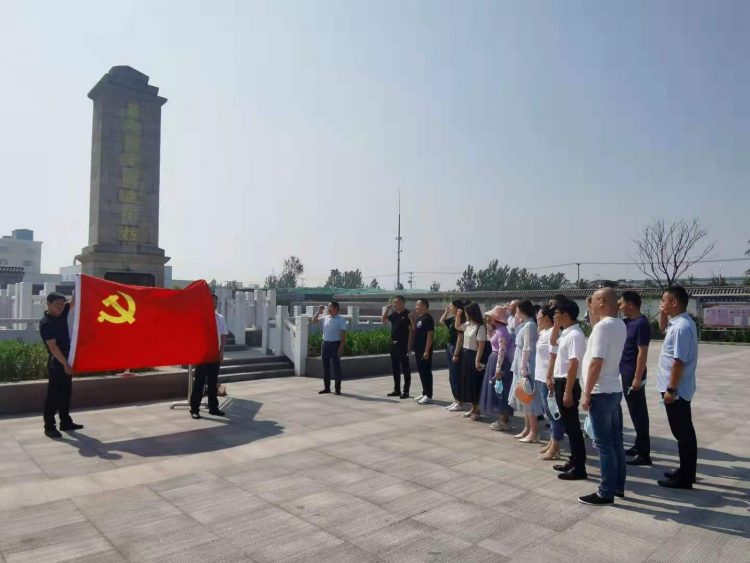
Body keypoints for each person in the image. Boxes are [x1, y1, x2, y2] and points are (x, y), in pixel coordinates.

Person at [579, 288, 628, 505]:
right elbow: (596, 331)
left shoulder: (603, 327)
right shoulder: (618, 324)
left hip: (600, 392)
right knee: (615, 442)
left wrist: (586, 392)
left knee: (603, 445)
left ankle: (605, 492)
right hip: (613, 389)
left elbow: (595, 362)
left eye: (594, 300)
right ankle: (617, 486)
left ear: (601, 302)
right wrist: (590, 309)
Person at [656, 286, 699, 490]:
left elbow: (678, 361)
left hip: (677, 391)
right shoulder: (679, 323)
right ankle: (685, 471)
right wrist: (663, 313)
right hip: (676, 389)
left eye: (664, 300)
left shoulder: (682, 327)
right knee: (682, 432)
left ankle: (686, 477)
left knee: (683, 433)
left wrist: (671, 389)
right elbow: (662, 328)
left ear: (674, 302)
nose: (661, 304)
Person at [552, 299, 588, 480]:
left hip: (568, 383)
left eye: (557, 314)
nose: (554, 317)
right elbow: (553, 341)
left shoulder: (575, 335)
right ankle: (573, 460)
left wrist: (567, 391)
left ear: (566, 315)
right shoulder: (566, 333)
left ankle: (579, 467)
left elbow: (574, 363)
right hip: (561, 382)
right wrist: (556, 325)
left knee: (573, 428)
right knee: (569, 426)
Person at [39, 292, 82, 438]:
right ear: (48, 304)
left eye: (62, 305)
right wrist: (65, 364)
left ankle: (65, 422)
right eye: (57, 305)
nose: (60, 307)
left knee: (65, 393)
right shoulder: (46, 323)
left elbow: (74, 301)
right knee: (53, 396)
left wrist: (79, 283)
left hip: (67, 360)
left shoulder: (62, 313)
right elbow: (53, 347)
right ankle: (49, 427)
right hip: (57, 363)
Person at [619, 290, 652, 466]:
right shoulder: (627, 322)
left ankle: (644, 453)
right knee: (634, 411)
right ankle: (639, 445)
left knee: (639, 413)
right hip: (625, 372)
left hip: (633, 374)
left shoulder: (641, 324)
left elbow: (642, 352)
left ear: (631, 304)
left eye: (622, 303)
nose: (620, 306)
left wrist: (637, 377)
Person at [508, 300, 543, 443]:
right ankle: (527, 428)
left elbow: (527, 347)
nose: (515, 312)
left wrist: (523, 366)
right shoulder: (525, 324)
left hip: (526, 363)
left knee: (529, 398)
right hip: (520, 361)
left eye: (517, 310)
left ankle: (534, 431)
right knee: (523, 396)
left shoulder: (530, 325)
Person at [190, 293, 229, 419]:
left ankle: (213, 408)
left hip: (214, 356)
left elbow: (223, 335)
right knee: (199, 383)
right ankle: (194, 409)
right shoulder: (200, 317)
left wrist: (221, 352)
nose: (214, 304)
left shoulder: (220, 318)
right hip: (202, 356)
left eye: (216, 302)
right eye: (212, 302)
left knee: (213, 383)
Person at [480, 306, 514, 431]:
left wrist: (498, 368)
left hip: (499, 361)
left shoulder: (501, 331)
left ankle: (504, 420)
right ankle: (503, 418)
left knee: (501, 390)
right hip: (495, 360)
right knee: (499, 389)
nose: (488, 319)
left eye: (490, 317)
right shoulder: (500, 329)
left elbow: (502, 350)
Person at [537, 305, 563, 460]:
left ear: (547, 318)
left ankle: (556, 446)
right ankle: (552, 441)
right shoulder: (543, 332)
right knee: (548, 412)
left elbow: (554, 356)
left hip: (549, 378)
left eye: (539, 316)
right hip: (541, 376)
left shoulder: (553, 333)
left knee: (554, 413)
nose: (537, 318)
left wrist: (550, 376)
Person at [456, 302, 487, 420]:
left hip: (474, 355)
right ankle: (473, 408)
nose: (465, 314)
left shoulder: (480, 327)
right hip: (465, 354)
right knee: (467, 382)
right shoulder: (468, 324)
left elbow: (481, 347)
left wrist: (477, 360)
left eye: (466, 312)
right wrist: (458, 315)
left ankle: (477, 410)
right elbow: (457, 326)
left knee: (475, 383)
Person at [312, 301, 347, 395]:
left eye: (329, 306)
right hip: (325, 344)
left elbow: (343, 335)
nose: (328, 308)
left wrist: (341, 347)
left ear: (335, 308)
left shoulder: (341, 319)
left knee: (336, 367)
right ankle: (327, 388)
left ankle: (337, 389)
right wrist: (319, 311)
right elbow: (314, 321)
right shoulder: (325, 317)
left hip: (335, 344)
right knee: (326, 366)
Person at [382, 296, 413, 399]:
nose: (395, 304)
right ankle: (397, 390)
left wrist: (409, 345)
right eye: (394, 302)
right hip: (394, 344)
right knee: (395, 368)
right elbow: (383, 320)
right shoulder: (394, 314)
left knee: (405, 368)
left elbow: (411, 331)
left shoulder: (408, 314)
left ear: (403, 303)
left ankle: (406, 391)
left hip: (404, 344)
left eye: (397, 302)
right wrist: (387, 310)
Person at [440, 299, 466, 412]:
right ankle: (456, 400)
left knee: (456, 376)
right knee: (452, 376)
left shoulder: (461, 319)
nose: (449, 307)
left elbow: (460, 338)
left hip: (455, 347)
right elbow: (441, 321)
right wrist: (446, 312)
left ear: (456, 307)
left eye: (451, 306)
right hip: (449, 346)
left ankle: (459, 402)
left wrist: (456, 353)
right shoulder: (453, 319)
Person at [412, 298, 435, 404]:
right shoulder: (419, 318)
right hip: (418, 349)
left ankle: (428, 395)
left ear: (424, 306)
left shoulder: (428, 319)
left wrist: (426, 351)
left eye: (418, 305)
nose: (416, 307)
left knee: (426, 372)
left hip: (424, 350)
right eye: (416, 305)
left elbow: (430, 335)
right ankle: (424, 392)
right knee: (421, 371)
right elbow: (416, 330)